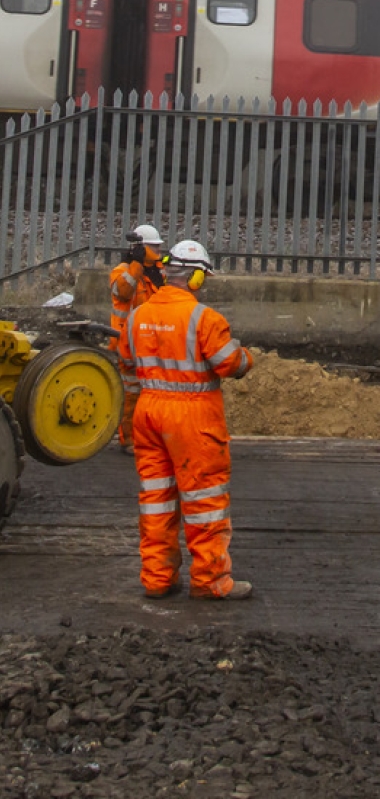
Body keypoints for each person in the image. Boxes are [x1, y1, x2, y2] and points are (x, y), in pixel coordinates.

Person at [118, 238, 253, 601]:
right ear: (195, 279)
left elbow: (127, 362)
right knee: (204, 498)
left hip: (148, 413)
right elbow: (229, 363)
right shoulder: (204, 318)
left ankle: (157, 578)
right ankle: (210, 581)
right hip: (192, 416)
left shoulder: (138, 316)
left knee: (156, 498)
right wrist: (246, 358)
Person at [109, 224, 165, 451]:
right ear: (140, 248)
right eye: (154, 247)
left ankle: (151, 438)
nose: (158, 251)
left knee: (154, 393)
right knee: (131, 393)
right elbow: (123, 292)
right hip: (128, 344)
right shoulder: (122, 271)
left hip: (154, 343)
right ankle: (129, 439)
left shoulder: (159, 272)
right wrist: (135, 266)